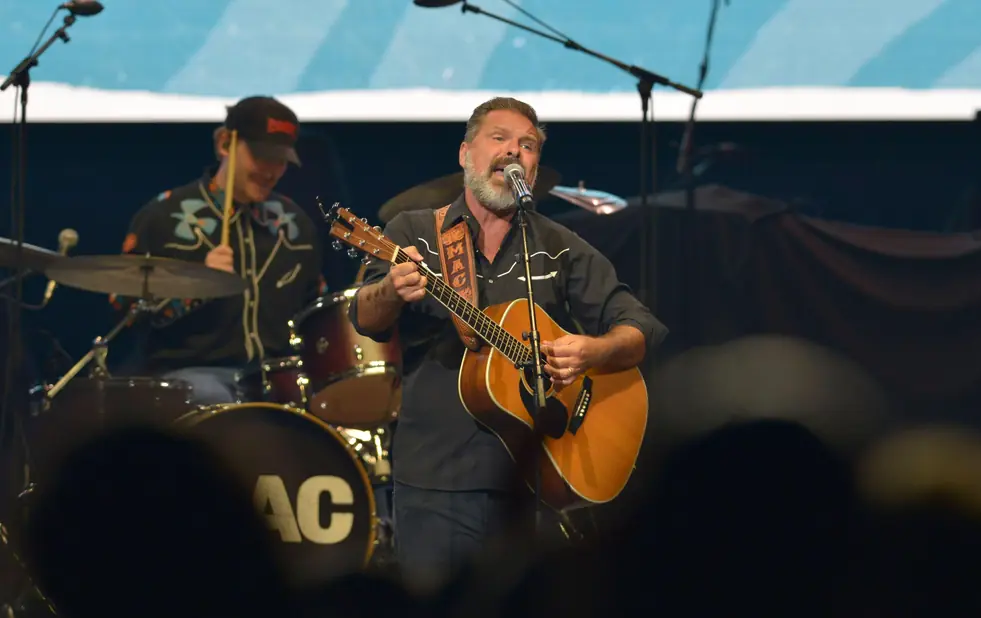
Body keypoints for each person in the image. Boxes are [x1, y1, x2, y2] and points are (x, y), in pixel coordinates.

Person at [349, 96, 668, 591]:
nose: (514, 151)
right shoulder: (414, 231)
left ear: (535, 167)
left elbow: (639, 328)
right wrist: (391, 289)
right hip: (439, 476)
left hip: (535, 480)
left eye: (528, 145)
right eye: (498, 138)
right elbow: (366, 317)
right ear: (465, 154)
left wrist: (592, 351)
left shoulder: (558, 245)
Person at [110, 96, 326, 405]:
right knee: (213, 398)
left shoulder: (294, 224)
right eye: (261, 157)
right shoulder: (165, 216)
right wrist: (195, 286)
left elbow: (315, 310)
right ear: (225, 143)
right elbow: (126, 311)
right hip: (190, 374)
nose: (271, 171)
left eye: (281, 161)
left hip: (274, 376)